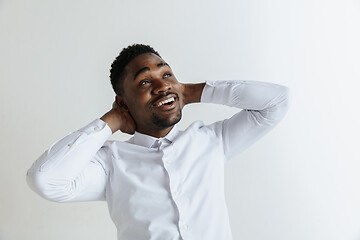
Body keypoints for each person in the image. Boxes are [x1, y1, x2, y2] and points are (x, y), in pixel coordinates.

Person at [26, 44, 290, 240]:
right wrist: (112, 121)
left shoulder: (212, 141)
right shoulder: (110, 164)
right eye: (144, 81)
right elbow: (44, 180)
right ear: (123, 101)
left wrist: (190, 91)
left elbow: (277, 101)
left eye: (166, 75)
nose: (162, 86)